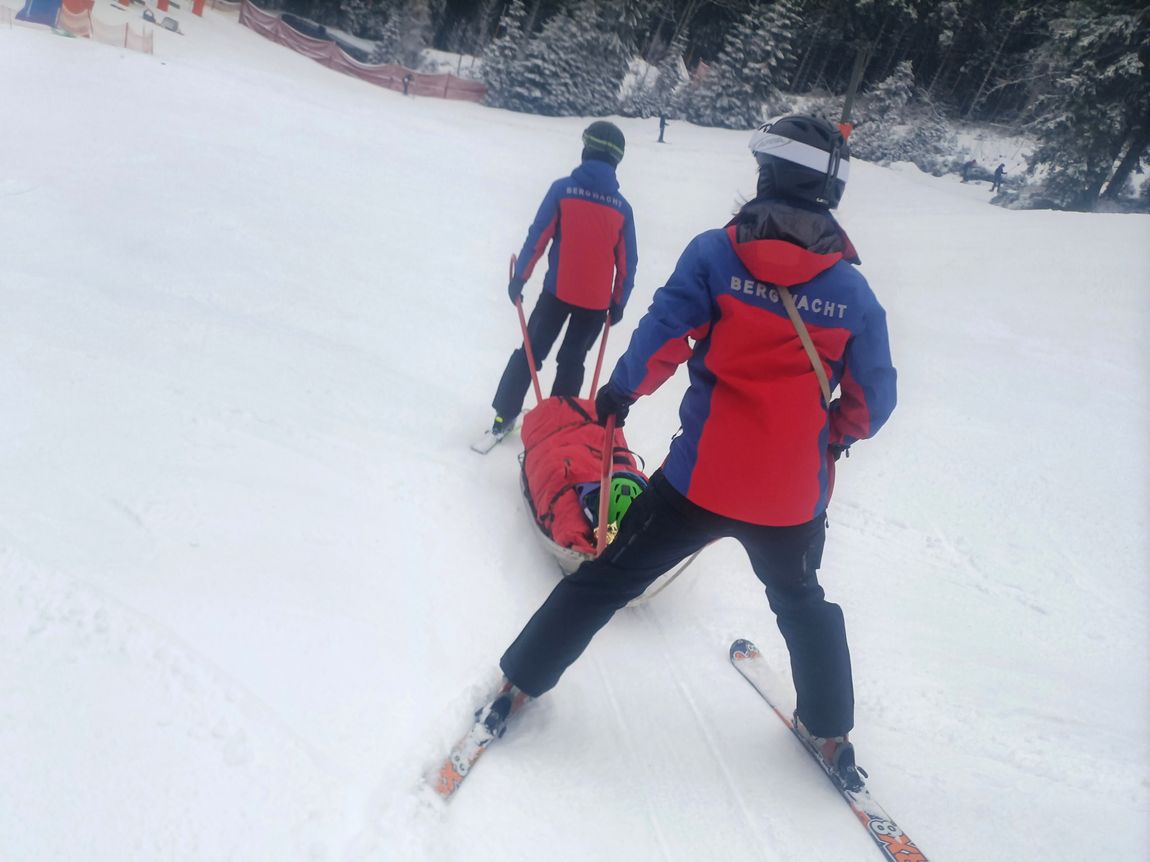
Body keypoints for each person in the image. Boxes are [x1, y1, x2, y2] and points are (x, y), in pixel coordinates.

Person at [479, 114, 897, 790]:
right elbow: (873, 400)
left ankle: (517, 685)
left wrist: (619, 395)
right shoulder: (852, 293)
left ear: (765, 175)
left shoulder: (716, 255)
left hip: (697, 483)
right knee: (801, 602)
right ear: (832, 194)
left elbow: (664, 335)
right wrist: (837, 435)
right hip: (791, 497)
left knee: (606, 580)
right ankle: (832, 729)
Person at [489, 120, 639, 435]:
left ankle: (504, 415)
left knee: (531, 351)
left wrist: (520, 278)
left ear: (586, 150)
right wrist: (618, 302)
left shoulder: (563, 190)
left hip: (556, 293)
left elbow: (539, 235)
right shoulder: (622, 209)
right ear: (617, 162)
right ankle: (560, 426)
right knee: (572, 361)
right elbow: (628, 262)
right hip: (595, 305)